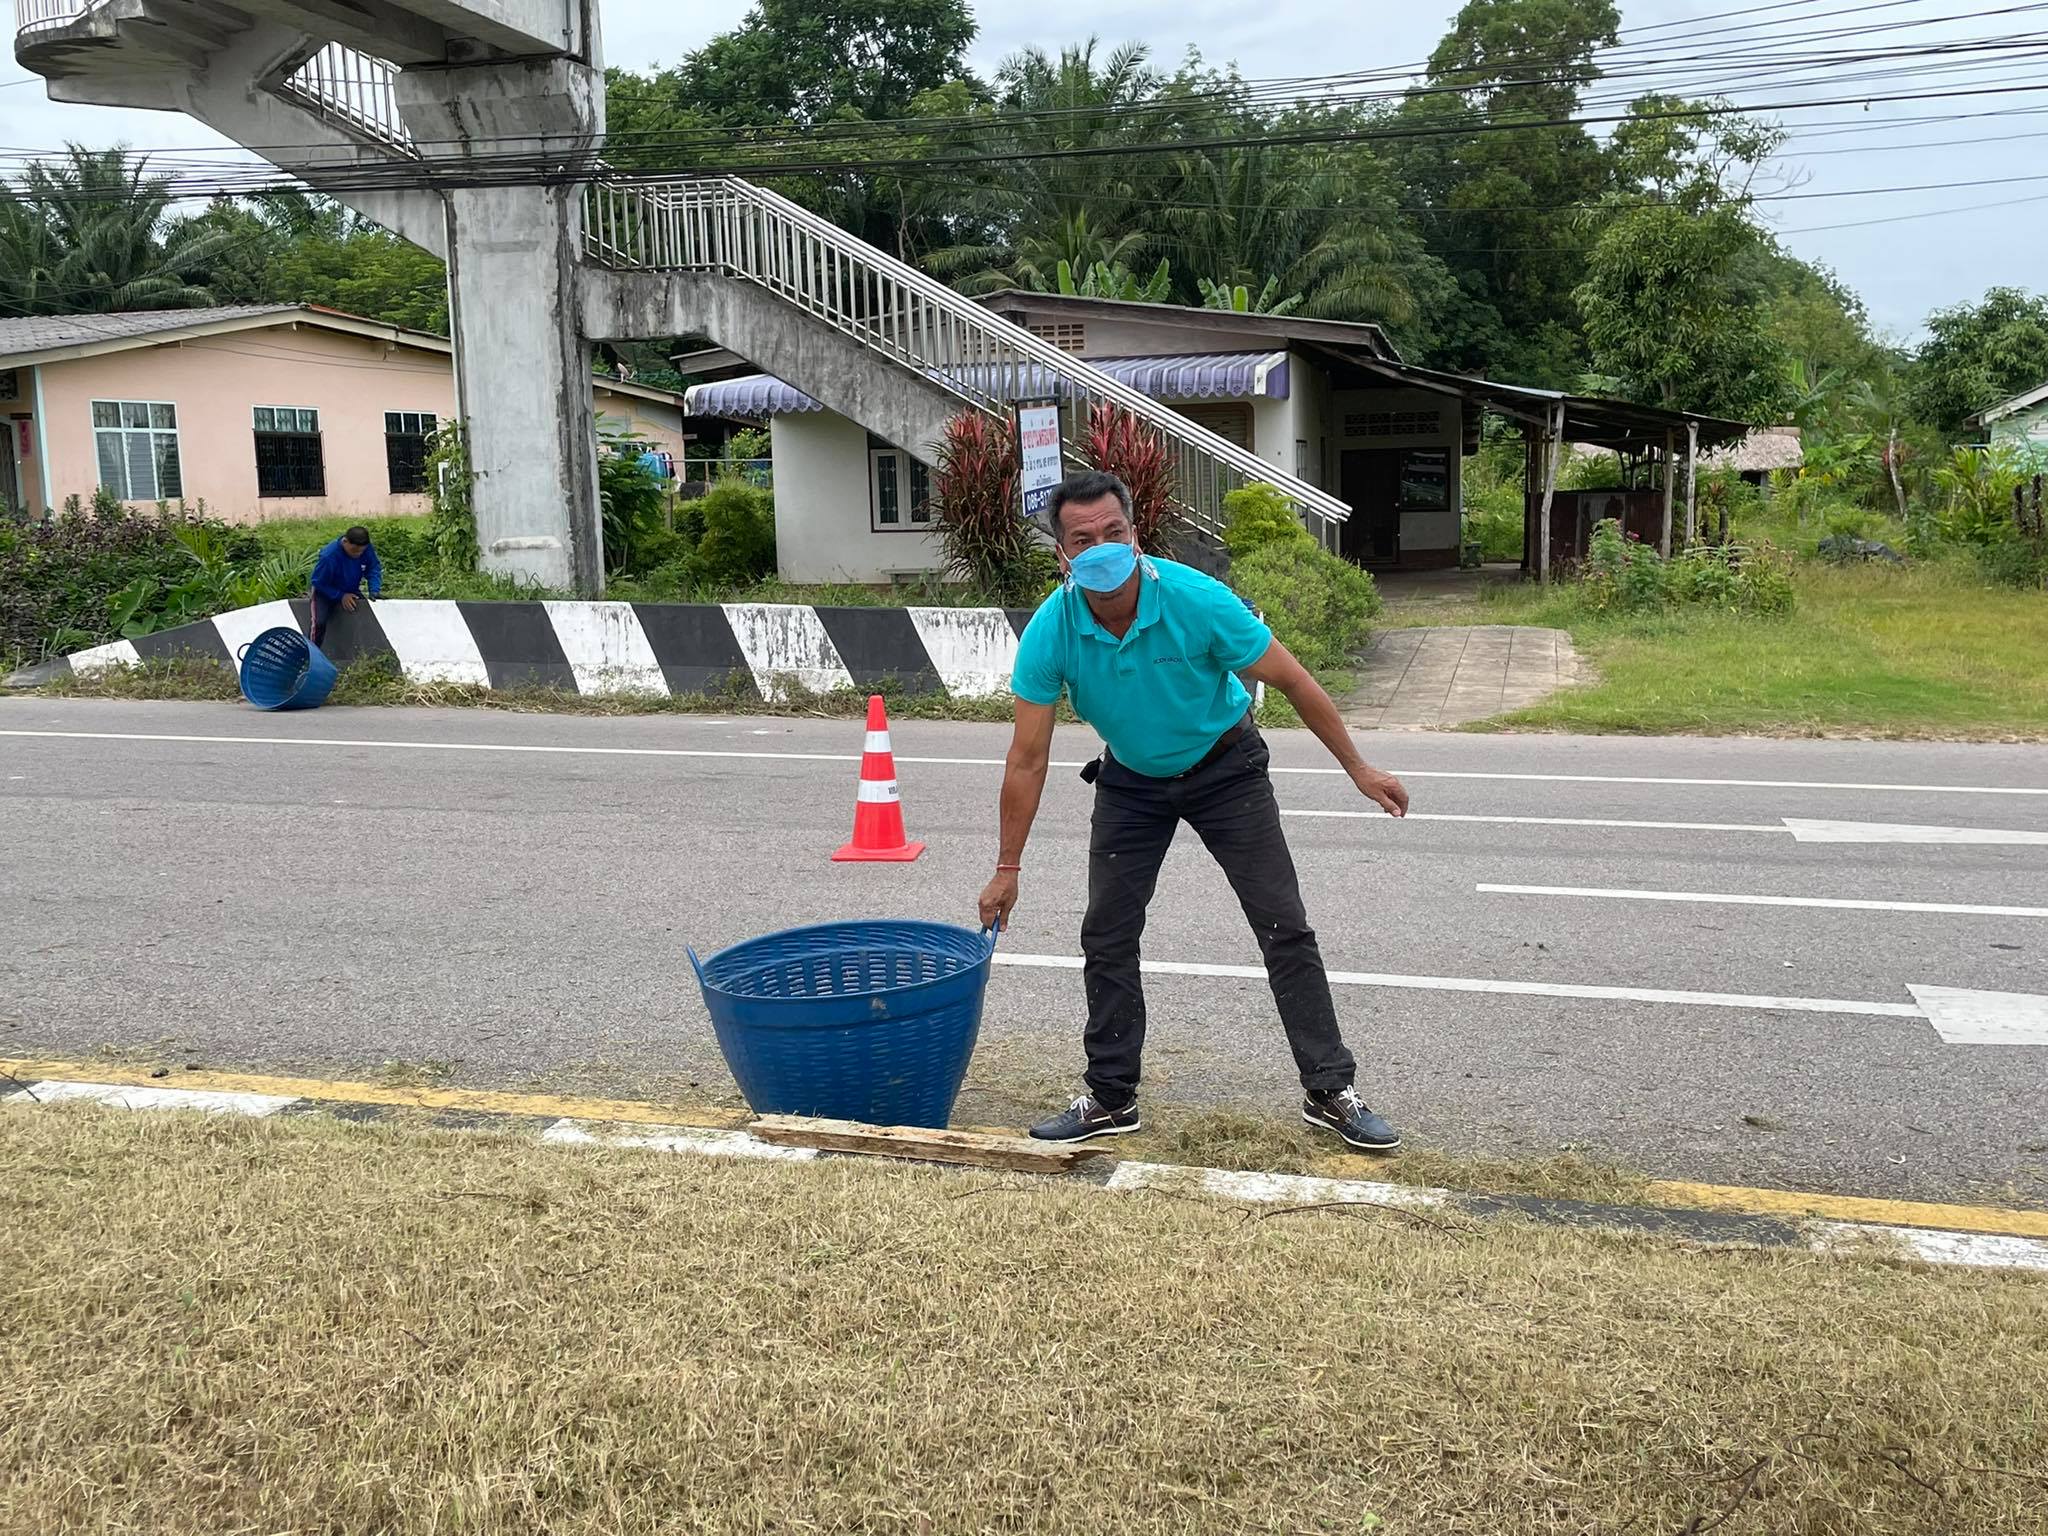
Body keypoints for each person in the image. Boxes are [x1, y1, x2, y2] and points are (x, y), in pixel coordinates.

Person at [977, 470, 1411, 1150]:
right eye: (1082, 539)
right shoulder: (1051, 631)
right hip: (1132, 782)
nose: (1102, 548)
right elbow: (1027, 758)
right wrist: (1008, 867)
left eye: (1113, 533)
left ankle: (1329, 1089)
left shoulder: (1194, 599)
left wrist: (1358, 767)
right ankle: (1112, 1097)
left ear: (1136, 535)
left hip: (1225, 769)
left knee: (1283, 925)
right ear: (1063, 556)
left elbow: (1294, 679)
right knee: (1107, 934)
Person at [309, 525, 382, 646]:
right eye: (354, 550)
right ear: (345, 541)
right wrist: (340, 596)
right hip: (325, 592)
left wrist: (374, 590)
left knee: (367, 616)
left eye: (361, 551)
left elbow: (373, 568)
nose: (358, 554)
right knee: (319, 623)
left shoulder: (366, 549)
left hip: (351, 590)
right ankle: (312, 653)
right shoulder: (329, 556)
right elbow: (318, 582)